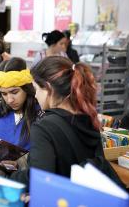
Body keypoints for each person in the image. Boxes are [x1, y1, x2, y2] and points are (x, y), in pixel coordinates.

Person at [11, 56, 104, 189]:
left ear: (48, 88)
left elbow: (39, 178)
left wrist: (11, 177)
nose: (35, 95)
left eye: (36, 89)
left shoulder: (44, 127)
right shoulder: (89, 118)